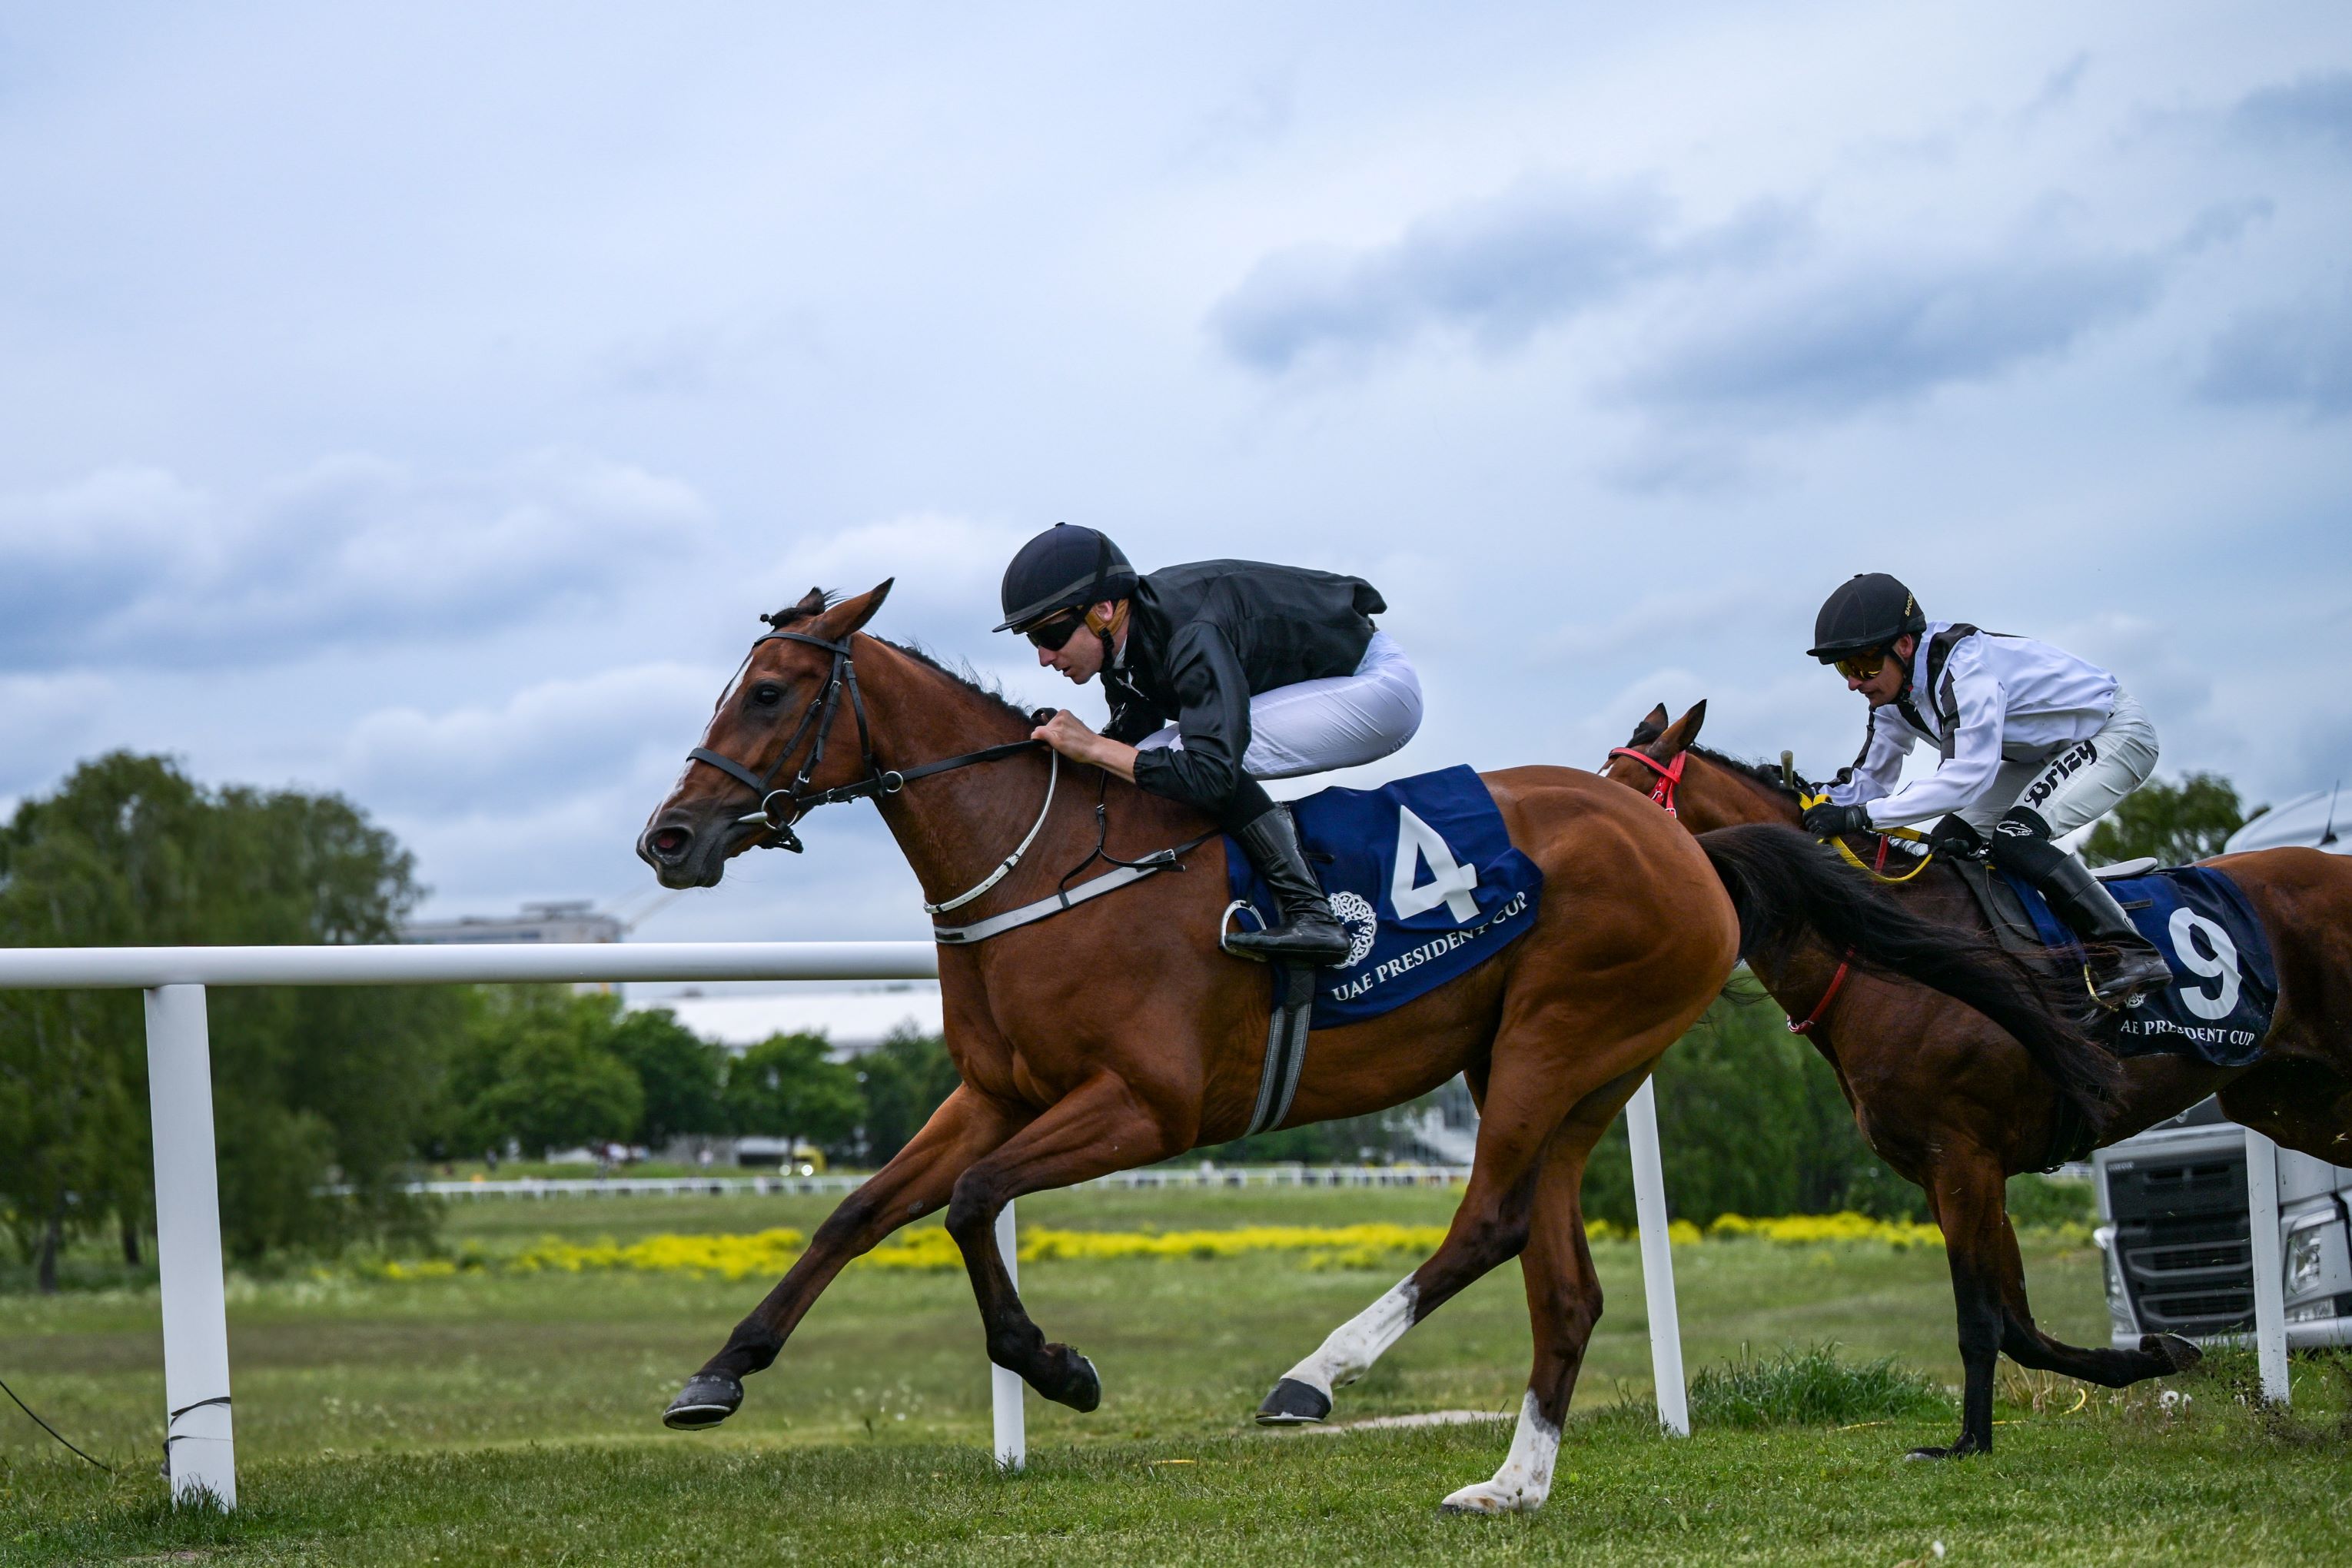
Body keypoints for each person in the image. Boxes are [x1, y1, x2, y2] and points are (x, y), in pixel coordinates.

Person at [995, 523, 1422, 965]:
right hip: (1338, 678)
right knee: (1151, 753)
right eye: (1032, 640)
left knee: (1181, 756)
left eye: (1050, 636)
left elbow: (1212, 774)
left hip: (1376, 687)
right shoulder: (1129, 637)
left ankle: (1312, 913)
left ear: (1103, 610)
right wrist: (1072, 750)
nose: (1044, 657)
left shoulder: (1189, 633)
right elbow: (1134, 735)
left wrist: (1097, 749)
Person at [1798, 572, 2171, 1007]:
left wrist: (1863, 817)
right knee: (1946, 847)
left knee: (2016, 838)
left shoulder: (1963, 670)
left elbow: (1967, 778)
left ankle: (2130, 953)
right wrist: (1806, 798)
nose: (1854, 683)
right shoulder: (1893, 697)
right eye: (1845, 669)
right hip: (2033, 755)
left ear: (1904, 645)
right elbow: (1869, 781)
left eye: (1862, 665)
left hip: (2111, 733)